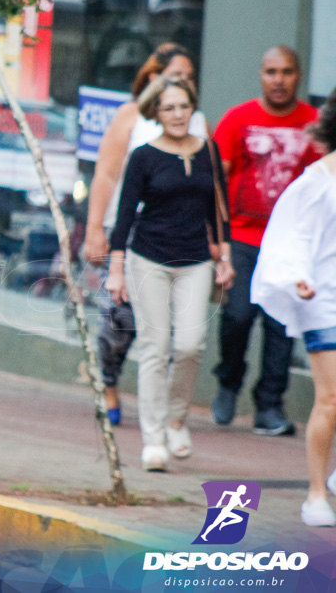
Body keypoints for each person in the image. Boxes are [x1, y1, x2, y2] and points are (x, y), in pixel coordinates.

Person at [105, 76, 234, 471]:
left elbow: (220, 207)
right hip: (149, 259)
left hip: (196, 260)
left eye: (183, 106)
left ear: (192, 108)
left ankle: (177, 418)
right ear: (155, 114)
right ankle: (154, 438)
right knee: (155, 350)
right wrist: (116, 269)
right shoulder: (143, 156)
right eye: (168, 108)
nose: (178, 114)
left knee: (191, 345)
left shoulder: (209, 151)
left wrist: (224, 257)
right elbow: (126, 213)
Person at [83, 43, 211, 426]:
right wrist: (94, 230)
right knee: (121, 318)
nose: (185, 83)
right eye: (178, 75)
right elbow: (106, 174)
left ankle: (167, 413)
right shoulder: (131, 115)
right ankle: (107, 384)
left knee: (180, 332)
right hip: (125, 225)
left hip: (180, 234)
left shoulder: (199, 121)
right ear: (156, 78)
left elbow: (208, 184)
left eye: (190, 77)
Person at [210, 46, 322, 436]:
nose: (279, 79)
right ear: (261, 74)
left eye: (287, 72)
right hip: (241, 237)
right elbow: (216, 182)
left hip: (291, 243)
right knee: (237, 316)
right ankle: (228, 380)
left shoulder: (314, 124)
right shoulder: (237, 120)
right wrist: (217, 238)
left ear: (299, 75)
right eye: (272, 71)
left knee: (281, 325)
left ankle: (269, 406)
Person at [251, 86, 336, 526]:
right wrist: (298, 276)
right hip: (324, 300)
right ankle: (316, 494)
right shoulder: (317, 182)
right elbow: (294, 236)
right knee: (331, 398)